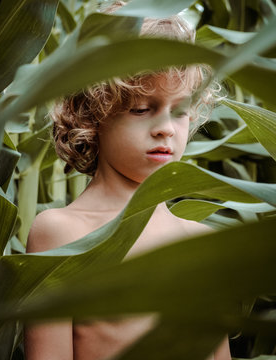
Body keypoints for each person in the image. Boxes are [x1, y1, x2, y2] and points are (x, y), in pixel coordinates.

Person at [25, 2, 231, 359]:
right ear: (92, 114)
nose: (166, 128)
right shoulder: (61, 234)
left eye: (180, 110)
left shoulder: (202, 243)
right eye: (141, 108)